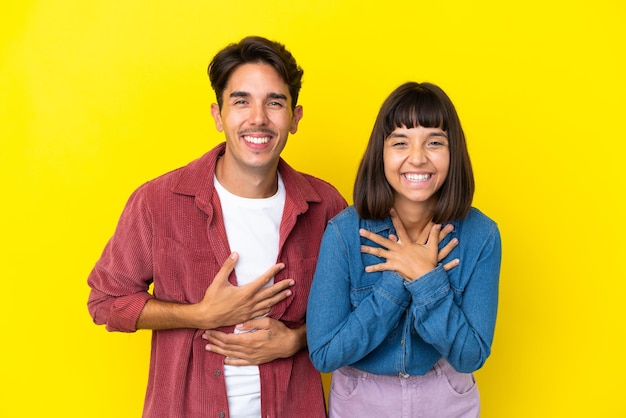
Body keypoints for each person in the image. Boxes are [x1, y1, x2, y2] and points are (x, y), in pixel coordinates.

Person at [87, 36, 347, 418]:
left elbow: (356, 310)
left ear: (295, 118)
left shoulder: (325, 206)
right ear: (217, 115)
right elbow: (105, 302)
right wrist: (200, 315)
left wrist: (296, 340)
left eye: (274, 102)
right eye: (241, 101)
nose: (258, 118)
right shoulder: (158, 202)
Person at [306, 82, 502, 417]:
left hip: (446, 397)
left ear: (453, 152)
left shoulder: (482, 235)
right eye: (400, 142)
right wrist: (398, 278)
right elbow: (325, 354)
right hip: (361, 399)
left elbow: (471, 356)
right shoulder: (344, 232)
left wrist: (428, 281)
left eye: (435, 142)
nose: (417, 157)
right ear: (380, 152)